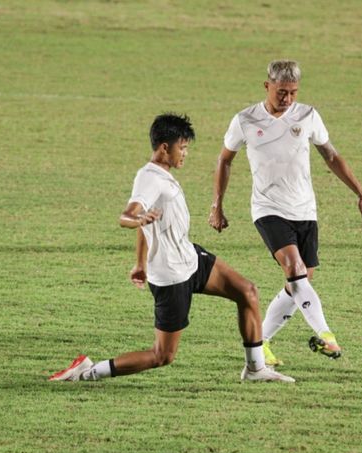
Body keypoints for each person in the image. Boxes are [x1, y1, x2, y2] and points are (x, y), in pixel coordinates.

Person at [49, 113, 294, 383]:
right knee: (162, 355)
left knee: (247, 291)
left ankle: (255, 369)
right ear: (165, 147)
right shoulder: (149, 178)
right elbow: (128, 216)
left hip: (190, 258)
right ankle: (87, 372)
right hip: (171, 277)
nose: (185, 153)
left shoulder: (163, 176)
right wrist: (137, 219)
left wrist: (140, 262)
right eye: (183, 147)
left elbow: (149, 223)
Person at [209, 60, 362, 366]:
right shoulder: (245, 119)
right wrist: (217, 204)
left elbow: (331, 155)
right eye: (282, 91)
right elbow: (225, 160)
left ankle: (262, 343)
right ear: (267, 86)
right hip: (268, 208)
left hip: (305, 210)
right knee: (296, 272)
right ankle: (327, 336)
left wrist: (361, 192)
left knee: (299, 283)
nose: (287, 98)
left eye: (293, 92)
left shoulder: (308, 115)